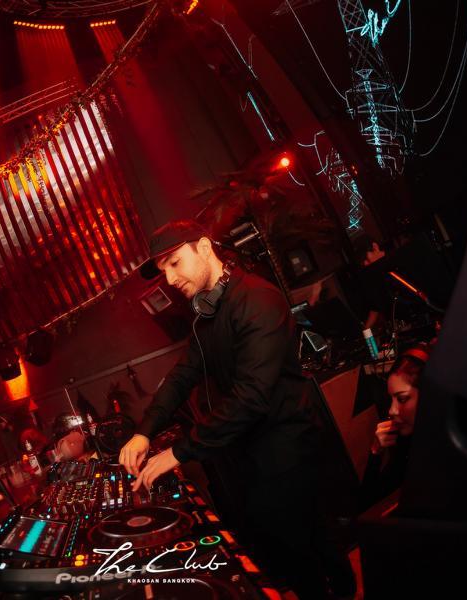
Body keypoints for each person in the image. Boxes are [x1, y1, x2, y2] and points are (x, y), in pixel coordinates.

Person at [118, 220, 334, 598]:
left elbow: (251, 396)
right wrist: (143, 432)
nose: (170, 279)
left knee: (309, 555)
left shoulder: (258, 300)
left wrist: (178, 452)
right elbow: (182, 376)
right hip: (253, 455)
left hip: (288, 452)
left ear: (204, 248)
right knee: (293, 556)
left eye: (174, 263)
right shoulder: (208, 316)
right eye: (165, 270)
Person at [361, 343, 431, 506]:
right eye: (391, 399)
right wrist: (376, 451)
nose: (392, 410)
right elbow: (368, 504)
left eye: (402, 399)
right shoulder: (405, 443)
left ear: (429, 395)